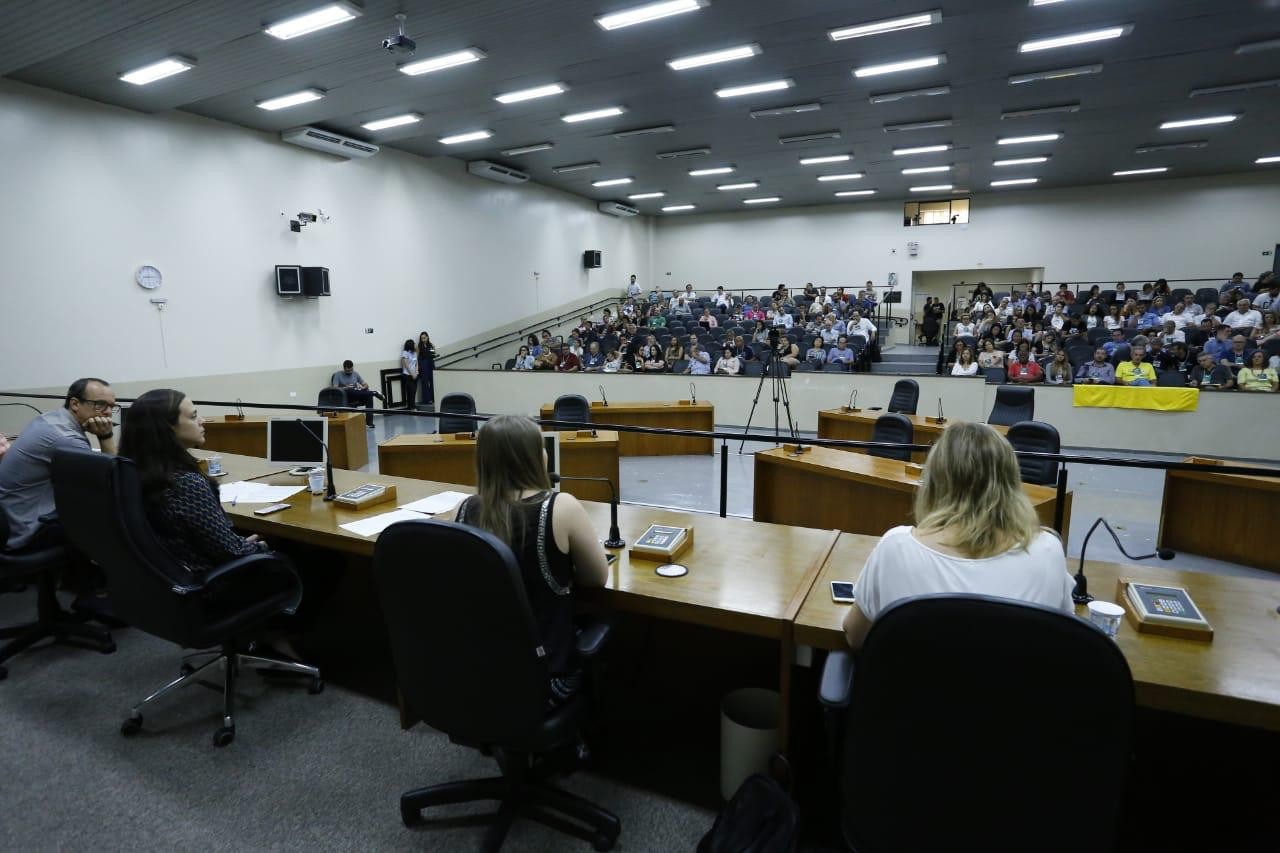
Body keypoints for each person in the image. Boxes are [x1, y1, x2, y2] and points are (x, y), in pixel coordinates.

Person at [842, 423, 1074, 649]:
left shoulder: (896, 548)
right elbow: (1062, 639)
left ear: (935, 481)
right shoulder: (1048, 551)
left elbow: (855, 635)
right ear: (1011, 482)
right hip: (1016, 688)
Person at [443, 416, 608, 708]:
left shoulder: (463, 509)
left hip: (481, 677)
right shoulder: (561, 507)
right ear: (532, 457)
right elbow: (596, 578)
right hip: (546, 684)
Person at [118, 389, 270, 575]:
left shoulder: (130, 472)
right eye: (193, 416)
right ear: (168, 427)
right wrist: (260, 548)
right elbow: (230, 551)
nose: (202, 421)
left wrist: (237, 543)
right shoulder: (184, 483)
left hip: (167, 580)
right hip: (213, 583)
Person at [0, 378, 116, 551]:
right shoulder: (65, 438)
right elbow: (113, 480)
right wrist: (106, 436)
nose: (108, 413)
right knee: (108, 521)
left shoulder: (51, 419)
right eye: (100, 405)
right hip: (26, 530)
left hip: (12, 517)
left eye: (112, 407)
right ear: (75, 404)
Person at [331, 360, 379, 427]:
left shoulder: (355, 374)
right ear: (344, 368)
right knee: (350, 390)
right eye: (348, 371)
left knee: (369, 397)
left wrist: (363, 387)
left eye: (351, 370)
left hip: (357, 394)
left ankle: (369, 423)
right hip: (346, 396)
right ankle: (373, 393)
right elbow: (335, 388)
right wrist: (346, 387)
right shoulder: (338, 375)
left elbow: (366, 385)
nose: (350, 372)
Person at [416, 332, 437, 408]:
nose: (423, 339)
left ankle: (432, 398)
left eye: (424, 338)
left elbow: (433, 355)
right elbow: (417, 358)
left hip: (431, 364)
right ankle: (426, 399)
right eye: (422, 338)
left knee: (432, 382)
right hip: (423, 365)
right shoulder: (419, 346)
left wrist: (434, 351)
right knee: (424, 382)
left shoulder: (431, 345)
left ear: (427, 337)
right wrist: (417, 367)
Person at [399, 339, 418, 405]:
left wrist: (416, 372)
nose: (415, 345)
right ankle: (412, 407)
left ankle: (412, 406)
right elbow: (406, 365)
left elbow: (416, 363)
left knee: (414, 391)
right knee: (411, 391)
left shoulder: (414, 352)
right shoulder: (405, 353)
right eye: (414, 344)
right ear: (410, 345)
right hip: (407, 375)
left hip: (415, 374)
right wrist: (412, 374)